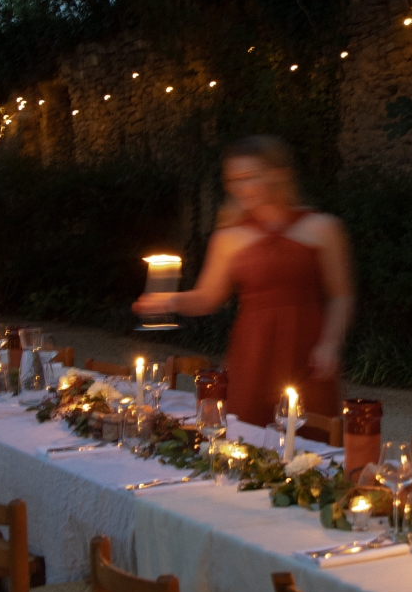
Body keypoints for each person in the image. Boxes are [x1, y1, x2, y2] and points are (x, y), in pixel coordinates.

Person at [133, 136, 354, 428]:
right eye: (233, 179)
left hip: (307, 352)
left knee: (310, 441)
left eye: (249, 177)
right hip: (252, 353)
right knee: (245, 436)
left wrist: (329, 344)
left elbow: (341, 295)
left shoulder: (323, 228)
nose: (239, 187)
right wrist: (168, 301)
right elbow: (209, 297)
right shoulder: (229, 236)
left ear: (279, 174)